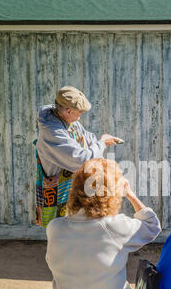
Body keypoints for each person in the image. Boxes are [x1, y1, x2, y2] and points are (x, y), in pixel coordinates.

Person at [43, 158, 161, 289]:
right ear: (113, 193)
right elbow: (152, 226)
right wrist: (130, 194)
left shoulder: (55, 228)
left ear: (75, 189)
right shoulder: (117, 227)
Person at [36, 85, 121, 227]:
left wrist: (99, 142)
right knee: (59, 230)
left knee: (75, 229)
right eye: (80, 112)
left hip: (71, 185)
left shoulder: (68, 120)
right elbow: (81, 159)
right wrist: (102, 144)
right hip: (57, 188)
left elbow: (86, 136)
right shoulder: (52, 131)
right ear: (69, 111)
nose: (81, 115)